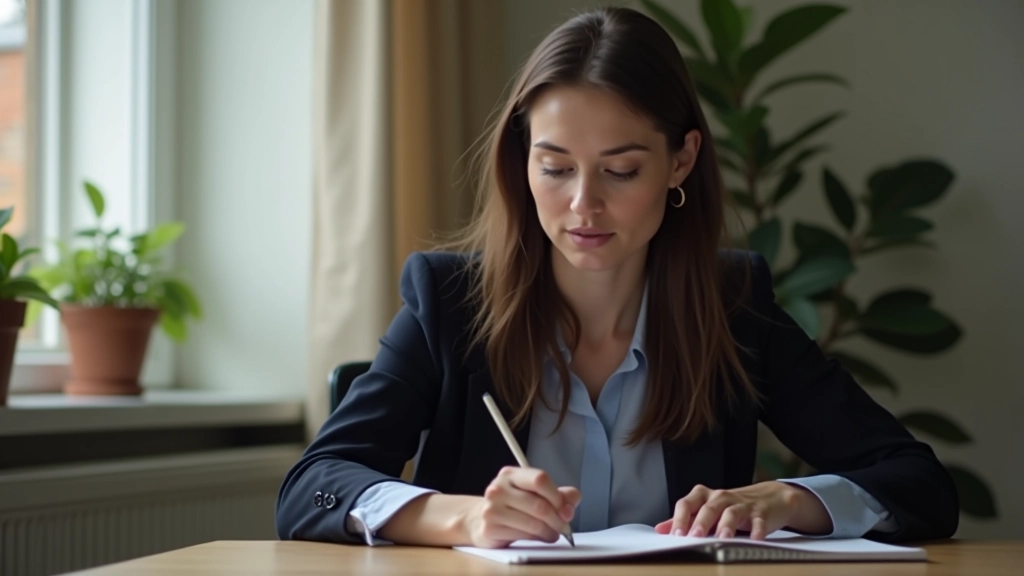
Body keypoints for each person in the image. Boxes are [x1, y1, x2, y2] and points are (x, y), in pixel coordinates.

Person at [276, 6, 958, 549]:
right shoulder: (449, 303)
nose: (583, 205)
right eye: (554, 166)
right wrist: (462, 519)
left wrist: (791, 500)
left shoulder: (734, 309)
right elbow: (313, 487)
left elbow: (919, 484)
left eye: (622, 169)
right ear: (522, 160)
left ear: (682, 160)